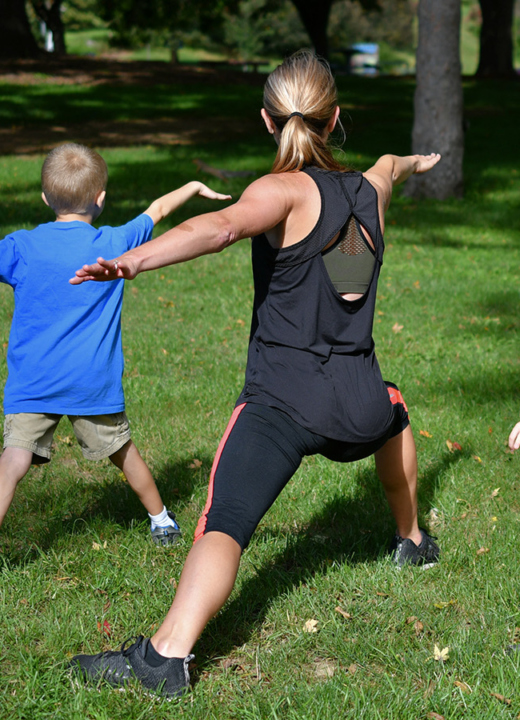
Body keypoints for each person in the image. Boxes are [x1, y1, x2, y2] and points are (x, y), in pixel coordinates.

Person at [69, 51, 442, 697]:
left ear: (268, 121)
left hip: (284, 401)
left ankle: (166, 656)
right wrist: (415, 163)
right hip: (358, 401)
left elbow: (218, 228)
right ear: (335, 117)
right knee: (394, 411)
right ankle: (412, 538)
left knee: (226, 520)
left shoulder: (281, 190)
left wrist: (132, 260)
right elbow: (391, 167)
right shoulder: (369, 188)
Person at [0, 142, 230, 544]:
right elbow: (157, 210)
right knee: (123, 452)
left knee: (13, 461)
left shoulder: (20, 247)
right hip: (91, 383)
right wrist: (193, 185)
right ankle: (161, 520)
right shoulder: (114, 241)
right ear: (100, 199)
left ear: (43, 198)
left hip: (33, 382)